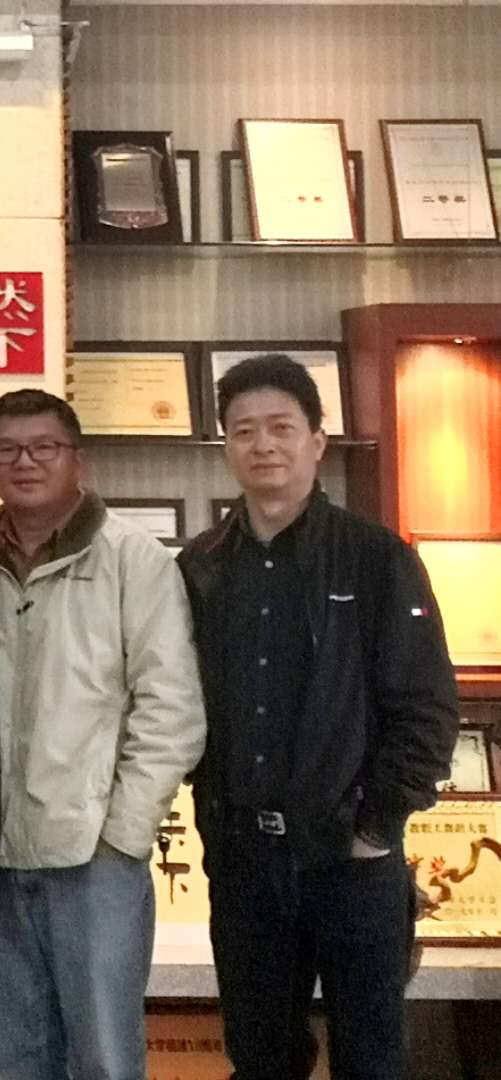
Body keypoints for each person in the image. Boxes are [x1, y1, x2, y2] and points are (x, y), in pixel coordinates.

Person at [179, 355, 457, 1080]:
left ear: (316, 442)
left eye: (281, 427)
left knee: (370, 1058)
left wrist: (374, 828)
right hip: (243, 860)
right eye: (244, 430)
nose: (263, 444)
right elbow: (176, 701)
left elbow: (426, 708)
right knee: (260, 1058)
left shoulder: (376, 558)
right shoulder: (201, 565)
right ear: (227, 446)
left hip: (349, 860)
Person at [0, 390, 204, 1080]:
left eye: (43, 447)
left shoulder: (132, 559)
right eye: (5, 449)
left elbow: (171, 709)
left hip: (95, 861)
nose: (23, 462)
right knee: (9, 1061)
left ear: (76, 459)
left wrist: (121, 834)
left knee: (104, 1062)